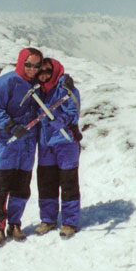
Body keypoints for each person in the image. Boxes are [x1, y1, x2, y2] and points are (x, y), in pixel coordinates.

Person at [0, 47, 43, 247]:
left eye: (36, 65)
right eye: (28, 64)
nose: (32, 69)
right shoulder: (6, 82)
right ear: (20, 62)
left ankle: (15, 224)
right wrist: (9, 125)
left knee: (21, 186)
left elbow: (54, 82)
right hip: (8, 143)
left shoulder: (38, 83)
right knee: (2, 186)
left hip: (28, 144)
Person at [34, 57, 82, 239]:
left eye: (48, 71)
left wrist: (61, 121)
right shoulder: (38, 91)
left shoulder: (66, 89)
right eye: (41, 71)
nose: (44, 75)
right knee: (46, 183)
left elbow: (73, 111)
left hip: (65, 142)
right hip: (46, 143)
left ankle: (70, 222)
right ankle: (48, 219)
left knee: (68, 182)